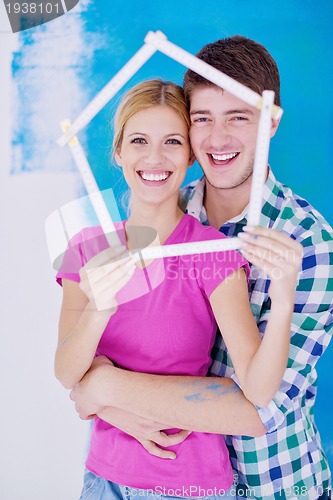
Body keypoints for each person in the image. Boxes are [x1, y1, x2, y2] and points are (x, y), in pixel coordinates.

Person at [69, 37, 333, 500]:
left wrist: (104, 388)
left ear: (270, 121)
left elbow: (258, 409)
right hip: (157, 472)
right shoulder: (168, 209)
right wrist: (102, 399)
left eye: (239, 117)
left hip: (273, 482)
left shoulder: (309, 243)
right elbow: (84, 361)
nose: (218, 138)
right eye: (202, 119)